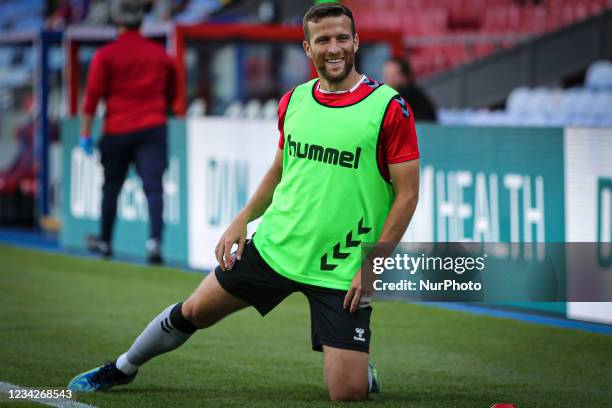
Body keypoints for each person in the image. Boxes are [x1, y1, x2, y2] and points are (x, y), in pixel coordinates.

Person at [68, 2, 419, 401]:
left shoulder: (390, 107)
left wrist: (373, 265)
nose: (334, 48)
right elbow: (279, 170)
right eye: (323, 40)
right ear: (307, 48)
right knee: (195, 310)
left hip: (341, 267)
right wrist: (243, 219)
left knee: (347, 393)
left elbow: (408, 194)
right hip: (276, 248)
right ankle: (122, 366)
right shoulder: (294, 101)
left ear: (356, 42)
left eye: (342, 38)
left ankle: (360, 372)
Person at [80, 0, 177, 264]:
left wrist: (86, 132)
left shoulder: (106, 55)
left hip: (118, 129)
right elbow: (175, 93)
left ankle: (105, 242)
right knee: (154, 188)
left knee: (111, 188)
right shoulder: (160, 54)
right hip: (152, 128)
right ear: (141, 21)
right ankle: (155, 242)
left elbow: (91, 97)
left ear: (117, 21)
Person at [383, 57, 437, 122]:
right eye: (386, 74)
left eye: (394, 74)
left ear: (405, 76)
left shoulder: (409, 95)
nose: (389, 79)